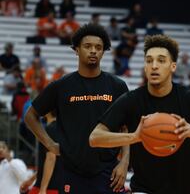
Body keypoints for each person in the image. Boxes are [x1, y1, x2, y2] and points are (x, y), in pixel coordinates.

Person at [89, 34, 190, 194]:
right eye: (149, 60)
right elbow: (94, 138)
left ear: (173, 66)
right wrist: (135, 137)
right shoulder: (131, 100)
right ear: (145, 66)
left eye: (161, 60)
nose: (154, 66)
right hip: (144, 189)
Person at [24, 24, 130, 194]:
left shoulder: (117, 86)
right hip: (71, 172)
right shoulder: (61, 86)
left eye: (98, 47)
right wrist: (50, 144)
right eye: (88, 46)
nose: (93, 51)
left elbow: (126, 128)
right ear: (77, 50)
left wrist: (124, 162)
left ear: (104, 51)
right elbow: (31, 115)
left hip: (108, 172)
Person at [21, 110, 62, 194]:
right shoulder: (60, 128)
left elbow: (51, 158)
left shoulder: (51, 129)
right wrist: (31, 180)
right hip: (56, 185)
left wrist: (43, 189)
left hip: (49, 187)